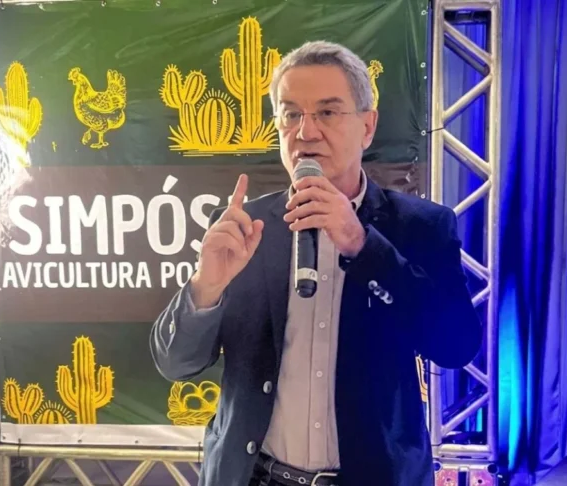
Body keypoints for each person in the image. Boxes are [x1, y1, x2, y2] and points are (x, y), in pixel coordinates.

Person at [150, 40, 482, 486]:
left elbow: (456, 345)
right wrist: (205, 287)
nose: (305, 132)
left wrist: (362, 245)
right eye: (290, 115)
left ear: (367, 126)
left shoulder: (420, 226)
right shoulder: (243, 227)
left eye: (327, 112)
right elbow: (175, 364)